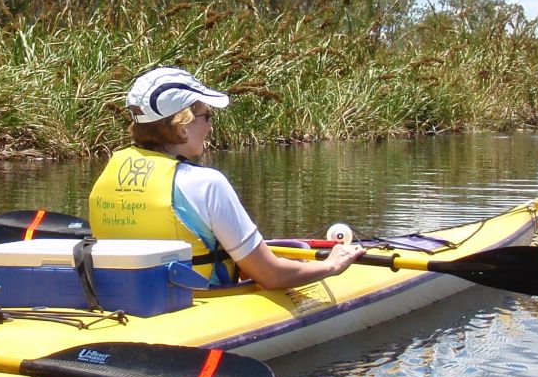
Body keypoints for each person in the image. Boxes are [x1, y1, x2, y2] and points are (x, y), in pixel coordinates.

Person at [87, 66, 365, 289]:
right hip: (202, 306)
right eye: (206, 116)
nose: (209, 125)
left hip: (128, 302)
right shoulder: (206, 184)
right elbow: (272, 276)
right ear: (182, 127)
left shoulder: (109, 175)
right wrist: (331, 265)